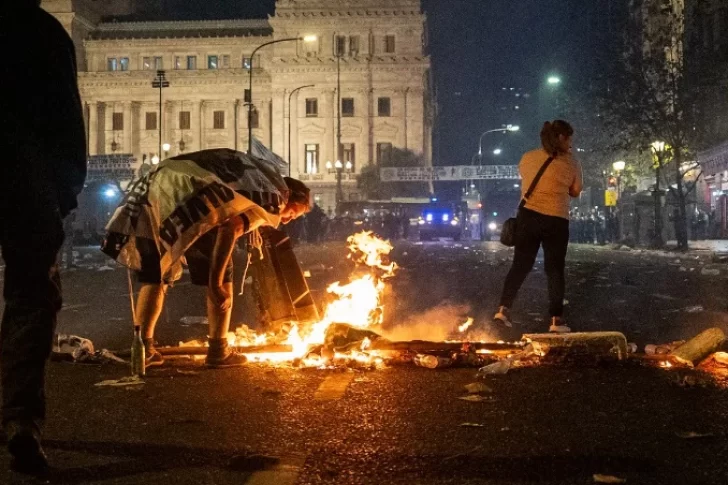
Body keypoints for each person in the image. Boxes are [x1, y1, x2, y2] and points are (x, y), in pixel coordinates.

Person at [0, 0, 87, 475]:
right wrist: (65, 190)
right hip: (26, 184)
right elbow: (67, 119)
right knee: (32, 296)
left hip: (27, 181)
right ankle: (19, 420)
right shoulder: (42, 31)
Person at [137, 176, 311, 368]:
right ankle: (218, 351)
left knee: (157, 275)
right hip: (200, 213)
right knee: (222, 266)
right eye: (292, 213)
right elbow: (229, 228)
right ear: (287, 197)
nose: (286, 221)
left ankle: (142, 349)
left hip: (159, 202)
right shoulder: (272, 198)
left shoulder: (252, 180)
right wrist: (216, 283)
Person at [493, 120, 582, 333]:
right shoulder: (571, 163)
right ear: (561, 138)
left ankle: (503, 310)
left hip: (528, 217)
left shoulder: (527, 158)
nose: (571, 142)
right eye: (569, 138)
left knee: (520, 265)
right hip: (556, 220)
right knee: (554, 270)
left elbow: (526, 178)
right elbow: (576, 191)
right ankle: (556, 321)